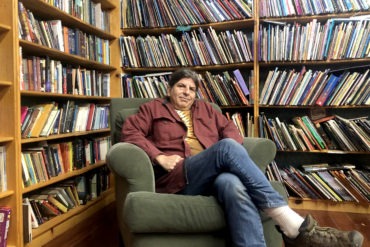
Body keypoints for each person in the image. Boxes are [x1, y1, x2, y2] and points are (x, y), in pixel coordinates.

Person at [121, 68, 364, 247]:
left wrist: (227, 159)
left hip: (214, 175)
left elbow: (232, 132)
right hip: (180, 176)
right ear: (170, 88)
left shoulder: (206, 109)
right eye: (181, 86)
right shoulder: (152, 109)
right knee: (226, 148)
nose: (186, 92)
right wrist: (159, 156)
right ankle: (293, 226)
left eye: (192, 89)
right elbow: (130, 132)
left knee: (232, 183)